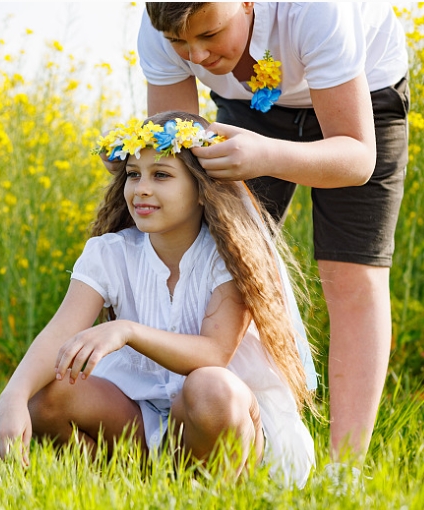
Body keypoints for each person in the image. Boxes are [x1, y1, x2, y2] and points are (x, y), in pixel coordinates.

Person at [137, 2, 409, 467]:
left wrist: (268, 155)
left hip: (362, 102)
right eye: (180, 44)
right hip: (248, 112)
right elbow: (172, 156)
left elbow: (359, 158)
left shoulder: (318, 10)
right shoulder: (159, 22)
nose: (196, 56)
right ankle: (216, 437)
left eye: (209, 35)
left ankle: (345, 470)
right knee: (213, 255)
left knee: (352, 278)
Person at [0, 111, 316, 487]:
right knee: (46, 394)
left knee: (211, 387)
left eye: (161, 175)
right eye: (133, 174)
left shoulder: (231, 255)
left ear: (201, 188)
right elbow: (61, 332)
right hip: (138, 413)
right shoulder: (110, 253)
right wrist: (12, 396)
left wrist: (127, 330)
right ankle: (134, 485)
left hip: (219, 417)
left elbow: (213, 354)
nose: (141, 188)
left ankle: (213, 491)